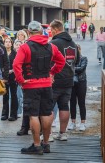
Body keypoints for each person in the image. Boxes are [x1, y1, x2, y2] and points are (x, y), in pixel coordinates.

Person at [13, 21, 65, 154]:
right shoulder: (51, 46)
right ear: (42, 32)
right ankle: (46, 144)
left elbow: (16, 65)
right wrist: (52, 72)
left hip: (31, 85)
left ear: (29, 33)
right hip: (47, 84)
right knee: (47, 113)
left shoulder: (25, 47)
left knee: (33, 115)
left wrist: (21, 80)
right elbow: (61, 61)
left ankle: (37, 145)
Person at [50, 19, 79, 141]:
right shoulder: (73, 43)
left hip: (55, 79)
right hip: (69, 80)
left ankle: (48, 135)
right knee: (64, 106)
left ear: (56, 30)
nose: (50, 33)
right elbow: (76, 61)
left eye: (51, 30)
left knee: (49, 107)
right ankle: (63, 134)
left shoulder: (54, 43)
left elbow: (49, 60)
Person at [68, 44, 88, 131]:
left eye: (77, 49)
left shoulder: (84, 58)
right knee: (72, 102)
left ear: (79, 49)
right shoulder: (70, 60)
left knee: (81, 102)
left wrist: (72, 69)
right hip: (72, 82)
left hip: (81, 81)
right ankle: (73, 122)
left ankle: (83, 122)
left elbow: (82, 68)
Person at [1, 37, 18, 121]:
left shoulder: (15, 53)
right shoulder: (2, 53)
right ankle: (4, 114)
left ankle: (13, 114)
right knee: (5, 95)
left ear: (11, 44)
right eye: (6, 42)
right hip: (5, 77)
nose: (7, 43)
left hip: (13, 76)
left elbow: (18, 64)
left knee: (14, 95)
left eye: (9, 42)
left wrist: (13, 70)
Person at [14, 40, 23, 118]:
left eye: (19, 45)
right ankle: (15, 110)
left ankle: (19, 110)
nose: (18, 46)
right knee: (14, 96)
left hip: (21, 78)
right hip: (12, 78)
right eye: (17, 45)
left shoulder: (24, 54)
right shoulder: (12, 54)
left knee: (20, 96)